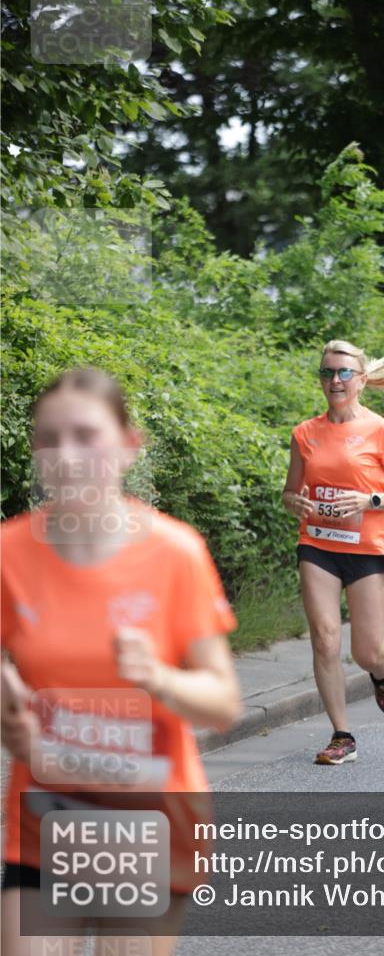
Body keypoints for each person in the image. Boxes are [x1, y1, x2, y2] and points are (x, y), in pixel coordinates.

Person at [1, 367, 242, 956]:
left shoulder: (175, 553)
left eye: (86, 435)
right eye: (49, 439)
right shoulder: (10, 552)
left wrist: (157, 677)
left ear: (130, 445)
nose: (66, 456)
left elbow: (223, 704)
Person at [283, 340, 384, 765]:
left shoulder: (380, 429)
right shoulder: (305, 433)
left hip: (367, 550)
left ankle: (380, 669)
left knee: (365, 651)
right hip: (318, 545)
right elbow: (290, 492)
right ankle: (342, 736)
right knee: (325, 638)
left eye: (344, 373)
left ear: (361, 380)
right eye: (327, 372)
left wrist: (369, 500)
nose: (335, 380)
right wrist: (295, 502)